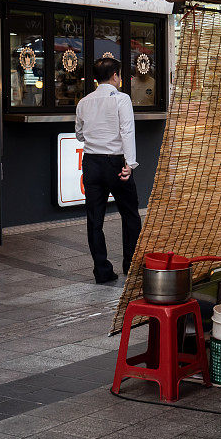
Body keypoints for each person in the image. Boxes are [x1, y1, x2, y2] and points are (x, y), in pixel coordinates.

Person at [76, 58, 142, 284]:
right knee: (130, 214)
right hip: (115, 163)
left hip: (91, 164)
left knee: (94, 219)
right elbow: (127, 131)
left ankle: (102, 271)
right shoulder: (121, 99)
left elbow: (79, 135)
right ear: (115, 75)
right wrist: (130, 164)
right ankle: (131, 266)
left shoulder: (84, 102)